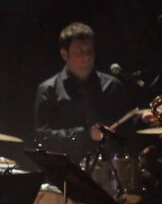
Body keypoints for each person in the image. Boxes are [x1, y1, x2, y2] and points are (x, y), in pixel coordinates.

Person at [34, 22, 157, 163]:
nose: (86, 57)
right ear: (64, 54)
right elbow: (43, 136)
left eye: (89, 51)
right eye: (79, 52)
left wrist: (141, 119)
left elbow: (124, 124)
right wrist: (86, 135)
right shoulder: (48, 90)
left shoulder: (112, 85)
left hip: (108, 169)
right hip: (65, 169)